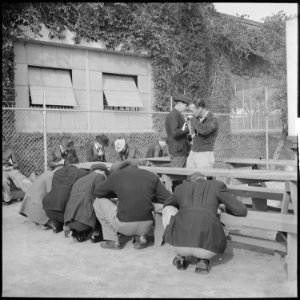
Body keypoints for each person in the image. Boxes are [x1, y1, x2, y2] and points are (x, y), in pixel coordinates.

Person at [162, 172, 247, 273]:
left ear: (188, 182)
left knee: (168, 209)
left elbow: (167, 203)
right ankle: (202, 261)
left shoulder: (180, 188)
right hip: (208, 249)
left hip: (179, 246)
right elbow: (241, 210)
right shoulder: (217, 185)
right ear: (205, 179)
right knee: (208, 220)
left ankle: (179, 256)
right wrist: (221, 207)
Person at [93, 160, 171, 250]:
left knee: (98, 202)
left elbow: (98, 192)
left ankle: (112, 240)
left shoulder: (116, 176)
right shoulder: (151, 175)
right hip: (147, 225)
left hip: (124, 225)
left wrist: (117, 192)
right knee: (144, 204)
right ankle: (141, 237)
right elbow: (167, 197)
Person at [64, 163, 110, 243]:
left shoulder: (79, 180)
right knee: (103, 203)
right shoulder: (100, 177)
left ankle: (77, 233)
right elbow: (102, 197)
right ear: (103, 172)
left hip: (68, 223)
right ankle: (97, 234)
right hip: (84, 223)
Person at [42, 156, 89, 233]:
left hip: (48, 210)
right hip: (65, 212)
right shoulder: (83, 173)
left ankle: (57, 224)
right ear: (78, 164)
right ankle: (68, 225)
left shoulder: (56, 172)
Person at [186, 99, 219, 169]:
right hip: (193, 151)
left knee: (205, 177)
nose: (191, 113)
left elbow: (204, 130)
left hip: (205, 153)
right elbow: (196, 133)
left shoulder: (213, 119)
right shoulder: (197, 118)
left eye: (193, 110)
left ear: (200, 109)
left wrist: (193, 119)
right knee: (190, 176)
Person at [2, 137, 35, 205]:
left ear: (5, 142)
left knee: (20, 178)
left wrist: (12, 167)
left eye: (3, 142)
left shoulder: (10, 151)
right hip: (2, 171)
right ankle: (7, 199)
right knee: (4, 180)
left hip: (11, 170)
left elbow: (16, 164)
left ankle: (34, 192)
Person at [165, 94, 192, 168]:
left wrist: (189, 137)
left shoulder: (177, 114)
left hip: (181, 151)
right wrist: (187, 129)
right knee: (177, 177)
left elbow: (180, 132)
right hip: (177, 152)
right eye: (185, 105)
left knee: (181, 177)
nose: (186, 108)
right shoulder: (173, 115)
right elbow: (175, 133)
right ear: (180, 103)